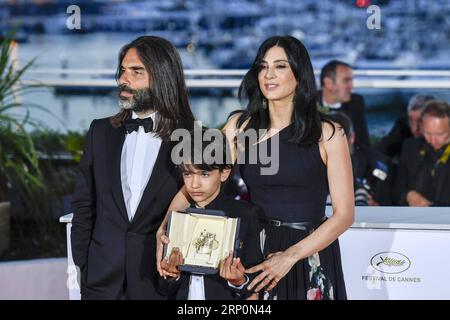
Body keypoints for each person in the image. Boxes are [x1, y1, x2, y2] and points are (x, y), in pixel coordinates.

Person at [157, 36, 354, 300]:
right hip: (254, 250)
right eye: (263, 67)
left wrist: (289, 256)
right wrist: (168, 224)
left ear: (299, 73)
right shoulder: (240, 127)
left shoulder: (328, 133)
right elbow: (200, 175)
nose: (269, 75)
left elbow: (344, 215)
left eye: (280, 66)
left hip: (308, 253)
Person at [71, 36, 195, 300]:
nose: (123, 80)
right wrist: (85, 264)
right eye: (122, 71)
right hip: (101, 281)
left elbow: (202, 207)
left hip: (159, 283)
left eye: (136, 72)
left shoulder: (193, 137)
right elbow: (84, 205)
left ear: (162, 76)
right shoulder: (99, 132)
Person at [158, 128, 262, 300]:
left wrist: (239, 280)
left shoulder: (244, 214)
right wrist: (172, 274)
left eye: (204, 174)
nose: (194, 184)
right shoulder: (177, 216)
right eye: (188, 174)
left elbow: (254, 282)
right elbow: (163, 288)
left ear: (224, 172)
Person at [328, 111, 393, 206]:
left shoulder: (376, 165)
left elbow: (390, 206)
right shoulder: (310, 162)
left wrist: (374, 205)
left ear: (352, 138)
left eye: (338, 144)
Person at [393, 100, 450, 206]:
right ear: (422, 127)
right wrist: (408, 195)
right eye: (428, 133)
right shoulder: (410, 147)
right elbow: (396, 189)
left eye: (440, 134)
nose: (433, 140)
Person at [319, 60, 371, 147]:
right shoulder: (309, 102)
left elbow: (363, 141)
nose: (351, 86)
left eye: (351, 80)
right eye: (346, 80)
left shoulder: (356, 101)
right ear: (329, 83)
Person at [376, 93, 435, 162]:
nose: (416, 128)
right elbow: (381, 151)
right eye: (411, 121)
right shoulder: (403, 127)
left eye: (420, 121)